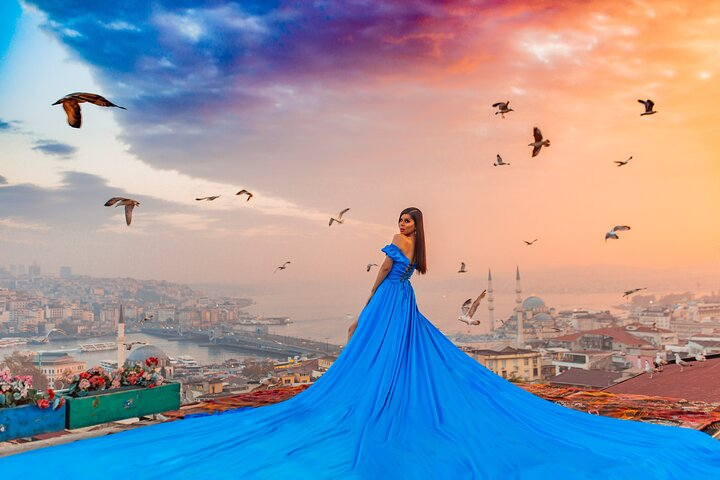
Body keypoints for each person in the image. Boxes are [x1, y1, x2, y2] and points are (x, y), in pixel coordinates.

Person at [3, 208, 720, 478]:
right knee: (411, 361)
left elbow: (379, 279)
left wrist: (355, 315)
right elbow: (406, 277)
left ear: (402, 226)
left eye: (404, 220)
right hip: (409, 307)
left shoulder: (390, 249)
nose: (403, 226)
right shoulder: (423, 253)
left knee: (364, 366)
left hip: (388, 305)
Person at [347, 206, 426, 341]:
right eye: (400, 220)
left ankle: (349, 362)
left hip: (388, 289)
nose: (402, 224)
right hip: (405, 292)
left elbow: (385, 268)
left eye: (407, 221)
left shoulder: (399, 238)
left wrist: (373, 291)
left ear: (416, 225)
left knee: (354, 329)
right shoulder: (419, 247)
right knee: (392, 335)